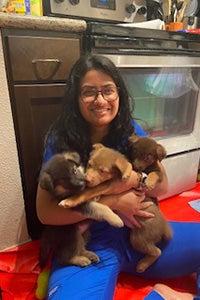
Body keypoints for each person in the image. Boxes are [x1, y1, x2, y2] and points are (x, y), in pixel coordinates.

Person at [36, 54, 200, 300]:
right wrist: (111, 202)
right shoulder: (60, 140)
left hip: (141, 232)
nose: (100, 100)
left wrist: (133, 180)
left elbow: (161, 186)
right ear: (76, 99)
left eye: (108, 90)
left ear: (119, 94)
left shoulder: (130, 130)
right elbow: (45, 212)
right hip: (88, 243)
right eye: (89, 92)